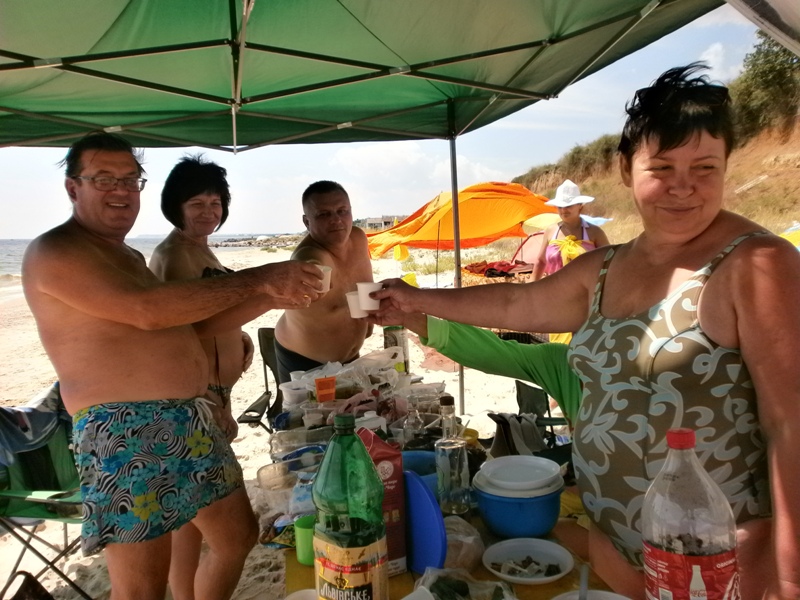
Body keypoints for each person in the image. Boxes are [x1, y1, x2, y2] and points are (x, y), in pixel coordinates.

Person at [371, 64, 800, 600]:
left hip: (713, 565)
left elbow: (791, 424)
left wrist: (789, 573)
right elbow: (516, 302)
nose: (682, 186)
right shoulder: (605, 267)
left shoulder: (757, 264)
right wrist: (415, 299)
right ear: (625, 168)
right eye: (661, 167)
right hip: (615, 551)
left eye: (705, 168)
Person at [21, 132, 323, 600]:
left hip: (189, 417)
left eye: (130, 179)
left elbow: (193, 325)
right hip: (124, 429)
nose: (121, 190)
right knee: (142, 587)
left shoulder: (127, 255)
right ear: (72, 187)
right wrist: (260, 277)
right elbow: (147, 310)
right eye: (104, 178)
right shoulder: (55, 250)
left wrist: (271, 295)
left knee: (237, 536)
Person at [149, 156, 260, 600]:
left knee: (189, 520)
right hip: (197, 402)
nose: (208, 212)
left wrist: (240, 335)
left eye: (215, 203)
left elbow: (212, 312)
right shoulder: (173, 255)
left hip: (214, 395)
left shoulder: (200, 248)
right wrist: (208, 399)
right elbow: (179, 331)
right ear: (175, 206)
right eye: (197, 203)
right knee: (230, 535)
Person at [274, 180, 373, 383]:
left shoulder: (358, 238)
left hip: (350, 359)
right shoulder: (310, 254)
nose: (336, 220)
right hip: (304, 362)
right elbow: (308, 263)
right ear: (307, 221)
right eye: (324, 214)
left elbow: (365, 286)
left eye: (342, 211)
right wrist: (310, 273)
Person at [532, 179, 609, 344]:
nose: (563, 210)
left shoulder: (594, 232)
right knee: (560, 347)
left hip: (586, 300)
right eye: (560, 206)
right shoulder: (551, 231)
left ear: (580, 205)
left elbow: (610, 262)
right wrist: (531, 290)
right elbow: (540, 261)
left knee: (586, 345)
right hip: (556, 298)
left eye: (568, 205)